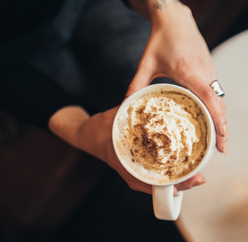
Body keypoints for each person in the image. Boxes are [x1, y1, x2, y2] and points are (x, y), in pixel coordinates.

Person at [0, 0, 228, 195]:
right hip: (17, 47)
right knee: (88, 94)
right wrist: (78, 129)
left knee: (153, 75)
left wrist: (170, 9)